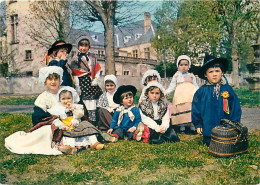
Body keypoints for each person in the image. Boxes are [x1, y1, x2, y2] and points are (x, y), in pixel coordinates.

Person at [5, 66, 64, 155]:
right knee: (47, 131)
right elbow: (38, 117)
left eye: (56, 79)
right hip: (52, 123)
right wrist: (54, 120)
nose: (53, 82)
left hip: (68, 121)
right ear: (45, 81)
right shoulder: (43, 97)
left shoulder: (66, 92)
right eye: (50, 80)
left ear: (60, 80)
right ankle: (59, 145)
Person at [192, 55, 242, 146]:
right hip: (208, 130)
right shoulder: (201, 91)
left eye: (217, 71)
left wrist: (235, 123)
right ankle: (208, 138)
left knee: (226, 143)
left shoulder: (228, 89)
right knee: (210, 143)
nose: (214, 74)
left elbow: (235, 107)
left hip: (227, 131)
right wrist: (198, 124)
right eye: (211, 72)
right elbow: (196, 109)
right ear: (205, 75)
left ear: (222, 73)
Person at [47, 86, 104, 151]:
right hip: (66, 127)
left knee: (87, 127)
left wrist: (73, 110)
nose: (66, 101)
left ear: (72, 98)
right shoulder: (58, 108)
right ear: (59, 100)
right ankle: (71, 148)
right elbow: (55, 119)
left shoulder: (76, 106)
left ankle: (94, 143)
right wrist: (62, 126)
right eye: (63, 99)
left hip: (78, 126)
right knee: (69, 136)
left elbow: (81, 114)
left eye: (69, 98)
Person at [71, 36, 103, 125]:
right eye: (81, 46)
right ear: (78, 46)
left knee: (94, 101)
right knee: (85, 101)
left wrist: (96, 78)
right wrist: (77, 86)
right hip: (82, 82)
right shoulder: (75, 58)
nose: (83, 48)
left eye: (86, 46)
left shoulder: (92, 57)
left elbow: (97, 68)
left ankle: (95, 121)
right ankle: (87, 121)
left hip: (92, 81)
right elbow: (75, 73)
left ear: (89, 47)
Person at [165, 55, 198, 134]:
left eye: (186, 65)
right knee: (181, 108)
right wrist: (166, 92)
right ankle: (182, 125)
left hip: (190, 95)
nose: (183, 67)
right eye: (181, 65)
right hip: (180, 95)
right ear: (178, 66)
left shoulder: (191, 76)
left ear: (189, 66)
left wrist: (199, 93)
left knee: (190, 107)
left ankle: (191, 124)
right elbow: (172, 86)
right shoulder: (177, 75)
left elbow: (196, 85)